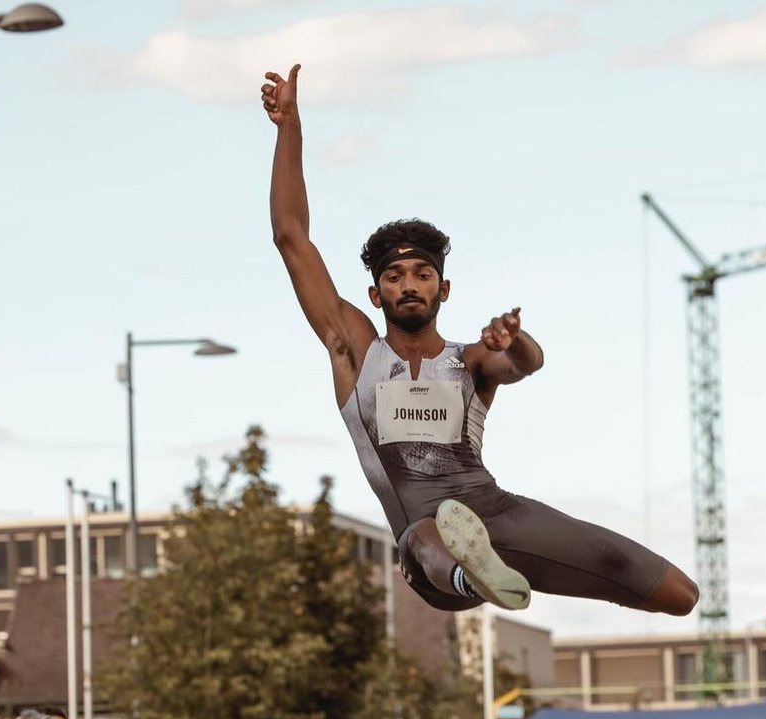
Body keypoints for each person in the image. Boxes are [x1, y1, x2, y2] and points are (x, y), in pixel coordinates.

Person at [261, 64, 699, 617]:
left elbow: (525, 363)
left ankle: (490, 568)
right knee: (424, 531)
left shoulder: (467, 361)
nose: (409, 286)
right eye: (394, 279)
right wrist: (288, 128)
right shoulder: (355, 352)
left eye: (421, 275)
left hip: (497, 516)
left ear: (443, 288)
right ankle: (474, 579)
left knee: (678, 595)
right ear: (376, 296)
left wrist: (514, 341)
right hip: (429, 553)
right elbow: (291, 236)